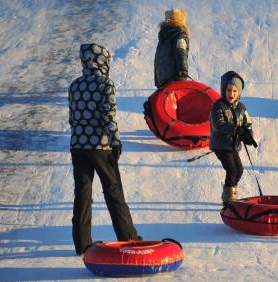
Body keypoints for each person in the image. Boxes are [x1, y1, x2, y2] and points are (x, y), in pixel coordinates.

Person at [68, 43, 141, 256]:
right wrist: (115, 141)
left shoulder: (74, 85)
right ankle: (128, 238)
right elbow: (108, 117)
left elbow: (72, 119)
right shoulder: (105, 84)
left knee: (82, 193)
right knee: (113, 191)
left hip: (78, 146)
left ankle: (82, 243)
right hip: (100, 146)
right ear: (103, 62)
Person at [209, 71, 256, 203]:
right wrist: (236, 130)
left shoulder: (241, 107)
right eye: (229, 90)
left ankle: (229, 193)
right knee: (232, 170)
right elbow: (219, 124)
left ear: (239, 92)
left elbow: (248, 123)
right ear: (224, 90)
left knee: (239, 170)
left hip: (233, 145)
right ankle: (228, 201)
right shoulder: (218, 106)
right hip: (220, 145)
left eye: (235, 91)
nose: (231, 94)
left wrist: (248, 135)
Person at [154, 8, 190, 88]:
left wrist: (157, 80)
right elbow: (181, 53)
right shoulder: (180, 34)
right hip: (176, 78)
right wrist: (183, 72)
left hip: (162, 80)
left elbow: (157, 59)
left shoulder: (162, 38)